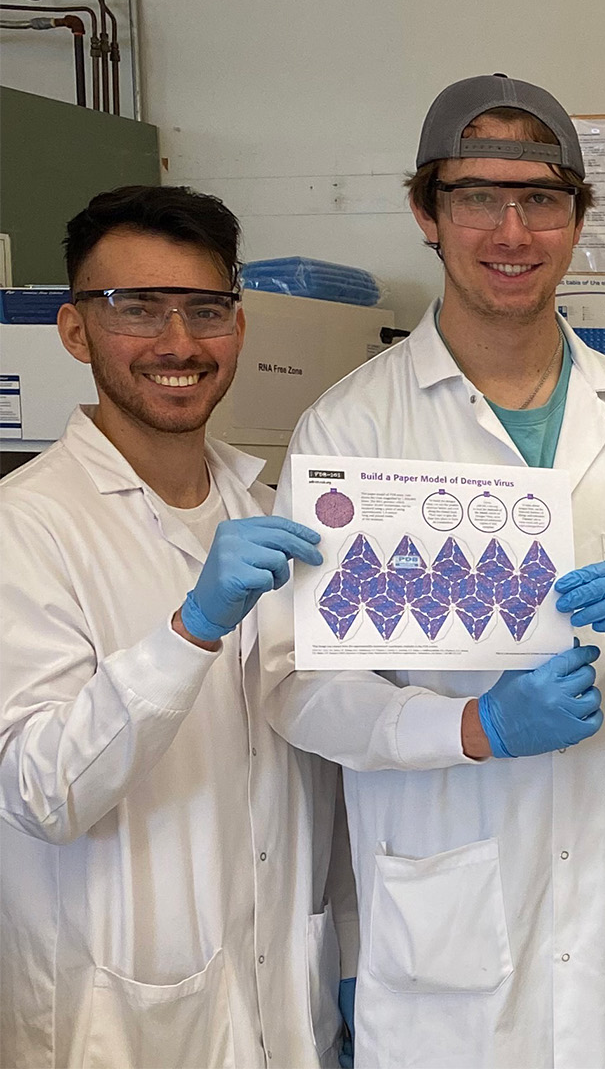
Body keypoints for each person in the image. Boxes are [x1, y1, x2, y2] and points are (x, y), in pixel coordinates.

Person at [261, 74, 605, 1066]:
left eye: (542, 200)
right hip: (451, 931)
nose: (511, 229)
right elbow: (297, 686)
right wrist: (472, 727)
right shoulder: (354, 428)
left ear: (577, 220)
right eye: (478, 197)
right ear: (426, 213)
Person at [2, 185, 365, 1066]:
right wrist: (192, 629)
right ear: (76, 329)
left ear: (238, 328)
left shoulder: (273, 505)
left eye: (205, 310)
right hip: (114, 1020)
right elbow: (42, 792)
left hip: (283, 1004)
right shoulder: (27, 525)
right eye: (137, 308)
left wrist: (354, 954)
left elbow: (321, 761)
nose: (177, 342)